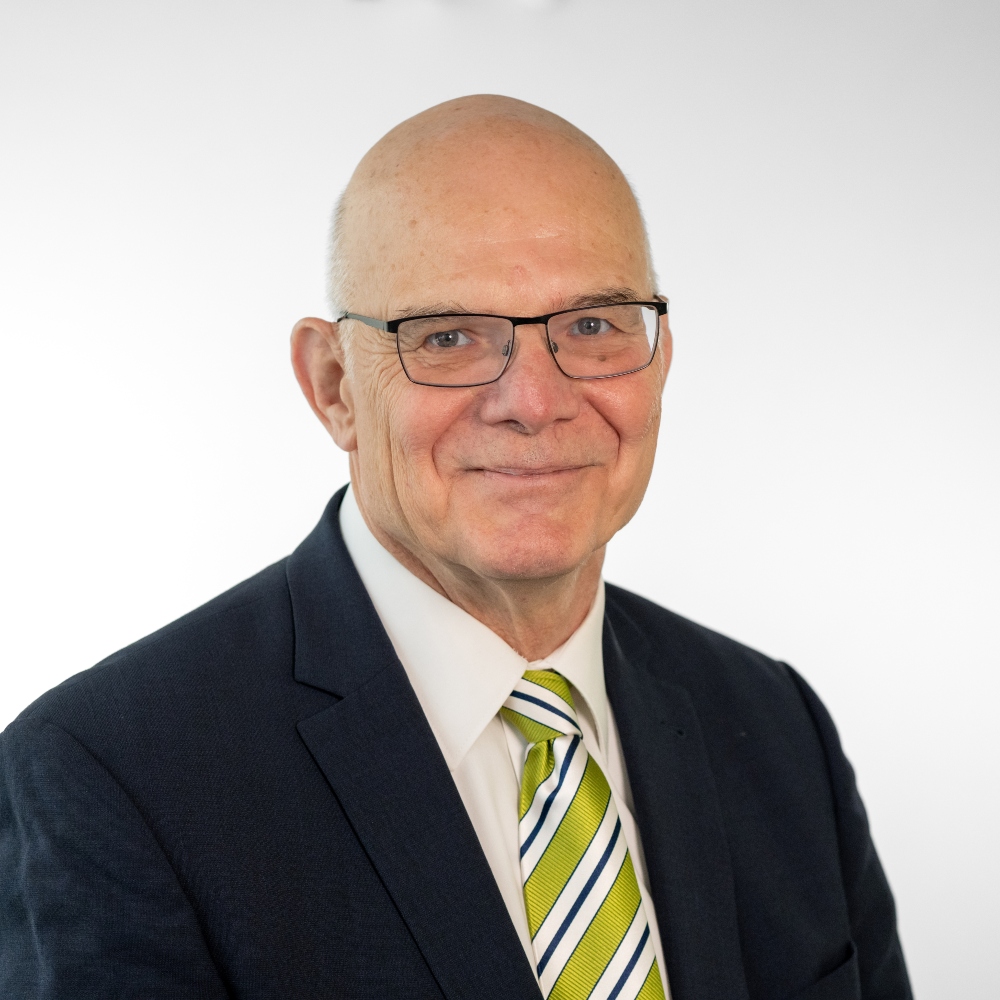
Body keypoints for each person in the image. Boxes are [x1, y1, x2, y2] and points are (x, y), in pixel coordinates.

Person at [0, 95, 911, 1000]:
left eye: (593, 326)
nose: (535, 401)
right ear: (333, 387)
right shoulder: (108, 775)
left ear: (660, 356)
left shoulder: (776, 726)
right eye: (448, 336)